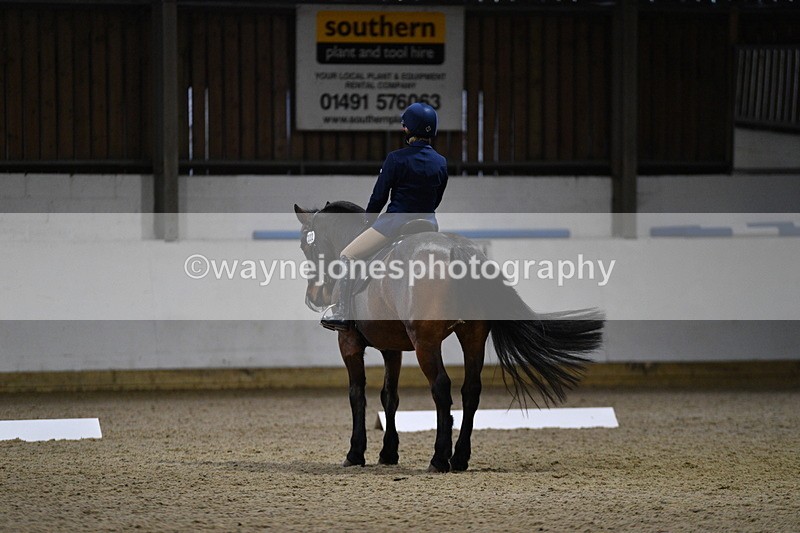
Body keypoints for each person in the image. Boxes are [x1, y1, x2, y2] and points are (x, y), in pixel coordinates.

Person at [321, 102, 449, 331]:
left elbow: (379, 197)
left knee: (347, 254)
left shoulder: (396, 159)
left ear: (409, 129)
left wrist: (367, 223)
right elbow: (436, 199)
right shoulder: (441, 162)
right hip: (428, 225)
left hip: (395, 224)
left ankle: (343, 312)